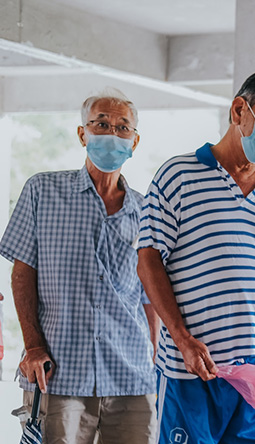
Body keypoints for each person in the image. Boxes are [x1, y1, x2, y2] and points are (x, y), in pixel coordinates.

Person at [137, 69, 255, 444]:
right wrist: (181, 339)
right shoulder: (178, 175)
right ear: (239, 109)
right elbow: (148, 259)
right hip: (189, 373)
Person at [0, 88, 158, 443]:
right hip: (59, 374)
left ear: (134, 141)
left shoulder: (145, 209)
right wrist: (33, 345)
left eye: (122, 127)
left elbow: (149, 295)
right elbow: (23, 273)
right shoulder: (43, 191)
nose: (111, 134)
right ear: (82, 133)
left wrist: (154, 356)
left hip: (131, 376)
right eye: (101, 123)